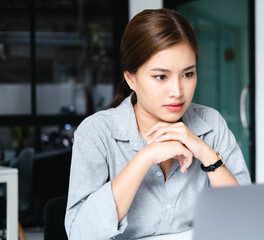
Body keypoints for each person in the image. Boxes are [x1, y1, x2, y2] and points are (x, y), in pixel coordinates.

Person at [65, 8, 251, 239]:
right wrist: (145, 157)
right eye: (161, 76)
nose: (177, 91)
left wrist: (206, 154)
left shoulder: (210, 123)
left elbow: (247, 217)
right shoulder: (97, 132)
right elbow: (80, 233)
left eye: (188, 74)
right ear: (131, 77)